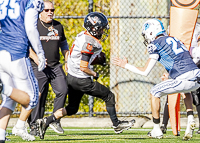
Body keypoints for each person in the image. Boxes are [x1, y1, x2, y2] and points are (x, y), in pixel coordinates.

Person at [35, 12, 135, 139]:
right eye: (101, 28)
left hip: (71, 77)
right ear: (93, 28)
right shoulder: (90, 42)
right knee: (109, 96)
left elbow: (79, 58)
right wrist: (94, 73)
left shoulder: (83, 35)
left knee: (72, 108)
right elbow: (83, 66)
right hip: (81, 79)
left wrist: (96, 60)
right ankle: (116, 124)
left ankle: (46, 121)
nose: (103, 31)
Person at [112, 19, 200, 140]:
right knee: (186, 89)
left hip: (183, 78)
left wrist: (125, 65)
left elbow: (145, 71)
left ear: (151, 32)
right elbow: (182, 61)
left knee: (154, 92)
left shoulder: (156, 44)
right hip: (196, 76)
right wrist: (170, 75)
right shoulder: (174, 39)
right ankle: (190, 119)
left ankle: (157, 129)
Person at [0, 0, 46, 142]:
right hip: (17, 53)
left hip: (2, 51)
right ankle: (3, 88)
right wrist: (40, 53)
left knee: (10, 99)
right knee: (32, 98)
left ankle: (0, 135)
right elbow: (30, 29)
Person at [27, 1, 69, 135]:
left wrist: (67, 59)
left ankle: (53, 120)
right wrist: (36, 58)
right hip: (38, 66)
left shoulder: (58, 26)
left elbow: (64, 44)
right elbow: (26, 47)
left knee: (63, 89)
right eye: (46, 10)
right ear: (40, 12)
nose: (50, 12)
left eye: (52, 10)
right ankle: (34, 125)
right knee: (38, 96)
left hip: (55, 65)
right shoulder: (33, 26)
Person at [160, 22, 200, 135]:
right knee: (179, 93)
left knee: (191, 93)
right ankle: (165, 124)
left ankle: (161, 125)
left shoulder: (196, 26)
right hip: (182, 63)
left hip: (191, 63)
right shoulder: (174, 24)